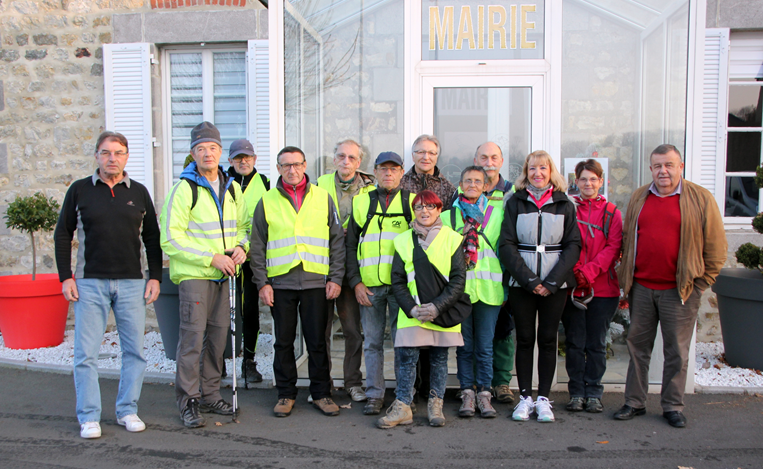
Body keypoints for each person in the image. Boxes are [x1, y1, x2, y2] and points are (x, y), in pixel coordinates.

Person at [54, 131, 162, 439]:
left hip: (132, 284)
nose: (111, 158)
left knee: (134, 352)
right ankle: (89, 416)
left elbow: (151, 238)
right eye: (105, 152)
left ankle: (128, 410)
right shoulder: (79, 191)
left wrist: (155, 276)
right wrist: (66, 277)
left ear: (127, 156)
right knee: (85, 354)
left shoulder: (139, 192)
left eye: (117, 152)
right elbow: (63, 234)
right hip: (90, 283)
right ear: (97, 156)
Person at [613, 144, 726, 428]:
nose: (663, 171)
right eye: (657, 166)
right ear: (651, 168)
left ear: (680, 167)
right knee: (637, 347)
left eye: (669, 165)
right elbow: (628, 239)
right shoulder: (640, 196)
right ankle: (634, 402)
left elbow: (716, 248)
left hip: (681, 291)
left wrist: (700, 283)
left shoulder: (700, 198)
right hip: (641, 288)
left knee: (676, 350)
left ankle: (673, 405)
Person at [160, 122, 250, 428]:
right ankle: (189, 401)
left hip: (224, 278)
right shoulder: (183, 189)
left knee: (217, 339)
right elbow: (170, 239)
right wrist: (210, 258)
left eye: (212, 148)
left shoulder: (233, 187)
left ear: (220, 151)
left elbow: (244, 227)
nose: (207, 153)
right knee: (191, 342)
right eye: (201, 149)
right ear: (192, 154)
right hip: (196, 277)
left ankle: (211, 395)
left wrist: (241, 247)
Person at [250, 146, 346, 418]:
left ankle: (321, 394)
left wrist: (336, 278)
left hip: (317, 282)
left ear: (305, 166)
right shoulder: (266, 201)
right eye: (285, 165)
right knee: (283, 342)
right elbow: (256, 245)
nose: (292, 170)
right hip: (280, 284)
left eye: (296, 164)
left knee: (317, 341)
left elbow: (337, 241)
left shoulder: (322, 198)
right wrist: (262, 283)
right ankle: (285, 394)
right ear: (278, 169)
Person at [499, 150, 581, 423]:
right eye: (532, 168)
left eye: (543, 168)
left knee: (547, 340)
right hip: (523, 284)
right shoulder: (515, 202)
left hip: (555, 285)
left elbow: (573, 245)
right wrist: (530, 281)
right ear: (526, 172)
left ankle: (544, 398)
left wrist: (552, 282)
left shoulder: (564, 203)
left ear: (550, 171)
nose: (537, 173)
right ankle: (524, 398)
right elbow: (506, 245)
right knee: (524, 339)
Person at [377, 190, 466, 428]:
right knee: (407, 358)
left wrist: (436, 308)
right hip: (412, 313)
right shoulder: (403, 239)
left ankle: (435, 404)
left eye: (430, 206)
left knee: (438, 359)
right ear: (414, 211)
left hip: (442, 312)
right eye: (419, 207)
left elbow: (458, 280)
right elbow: (397, 280)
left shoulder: (452, 238)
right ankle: (403, 406)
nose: (424, 211)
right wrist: (412, 309)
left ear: (439, 210)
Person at [345, 151, 414, 415]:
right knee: (372, 343)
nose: (388, 173)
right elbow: (350, 245)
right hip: (370, 287)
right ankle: (375, 394)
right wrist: (356, 282)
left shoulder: (411, 203)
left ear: (401, 172)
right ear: (374, 172)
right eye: (383, 169)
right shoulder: (362, 202)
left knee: (403, 342)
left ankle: (403, 396)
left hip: (401, 288)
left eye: (393, 169)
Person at [561, 159, 623, 414]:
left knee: (596, 344)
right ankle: (576, 392)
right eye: (583, 179)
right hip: (573, 287)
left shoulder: (612, 212)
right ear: (576, 182)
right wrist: (575, 272)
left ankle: (594, 392)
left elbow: (614, 247)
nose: (588, 183)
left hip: (603, 289)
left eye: (593, 179)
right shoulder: (567, 208)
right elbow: (562, 243)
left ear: (601, 181)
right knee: (575, 342)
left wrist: (589, 271)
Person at [442, 166, 504, 419]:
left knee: (486, 346)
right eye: (467, 180)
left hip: (489, 289)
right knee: (464, 346)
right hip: (462, 291)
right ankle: (467, 392)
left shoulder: (498, 213)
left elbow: (504, 247)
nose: (472, 185)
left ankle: (485, 394)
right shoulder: (448, 216)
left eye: (478, 181)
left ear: (486, 186)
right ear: (460, 184)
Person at [317, 139, 376, 403]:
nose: (346, 162)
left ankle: (353, 382)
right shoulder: (319, 185)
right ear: (333, 159)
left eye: (352, 158)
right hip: (322, 266)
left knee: (352, 330)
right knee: (322, 331)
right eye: (341, 156)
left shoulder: (370, 189)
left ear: (359, 162)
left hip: (352, 266)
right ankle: (323, 384)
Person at [472, 141, 517, 405]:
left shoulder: (512, 193)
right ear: (476, 159)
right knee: (474, 334)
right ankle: (479, 382)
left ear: (501, 161)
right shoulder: (463, 191)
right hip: (472, 278)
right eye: (483, 157)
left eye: (494, 157)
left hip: (503, 274)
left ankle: (501, 382)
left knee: (502, 330)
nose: (489, 162)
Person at [227, 138, 269, 385]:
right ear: (230, 161)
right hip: (225, 257)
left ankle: (249, 362)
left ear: (255, 159)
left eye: (248, 157)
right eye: (238, 158)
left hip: (253, 257)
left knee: (251, 311)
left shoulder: (264, 183)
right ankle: (218, 362)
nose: (244, 161)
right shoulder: (222, 182)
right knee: (222, 312)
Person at [400, 134, 457, 211]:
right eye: (421, 152)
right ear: (413, 156)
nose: (426, 157)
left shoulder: (447, 189)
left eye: (431, 153)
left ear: (437, 157)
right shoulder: (400, 185)